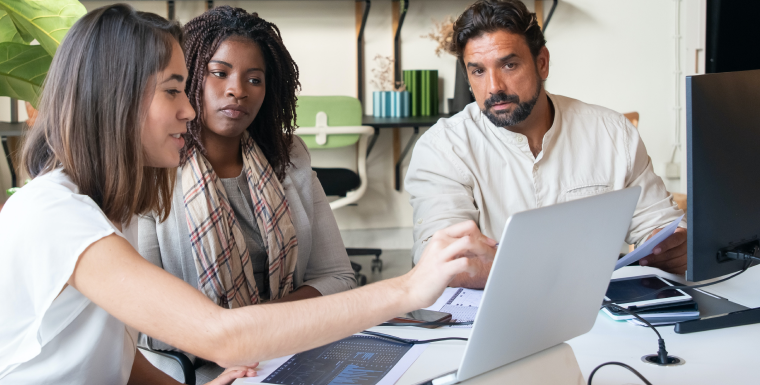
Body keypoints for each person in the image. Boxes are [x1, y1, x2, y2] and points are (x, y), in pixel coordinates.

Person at [0, 5, 490, 384]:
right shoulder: (53, 213)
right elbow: (220, 335)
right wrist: (408, 288)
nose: (189, 110)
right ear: (118, 97)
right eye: (174, 90)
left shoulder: (100, 206)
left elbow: (115, 358)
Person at [405, 0, 686, 289]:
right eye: (478, 71)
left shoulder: (612, 133)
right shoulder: (442, 149)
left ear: (542, 63)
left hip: (599, 317)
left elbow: (661, 225)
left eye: (509, 65)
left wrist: (671, 246)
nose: (494, 87)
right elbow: (444, 262)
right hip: (482, 321)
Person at [138, 7, 356, 368]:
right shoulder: (154, 169)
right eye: (219, 73)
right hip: (197, 369)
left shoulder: (291, 158)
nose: (237, 90)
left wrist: (260, 327)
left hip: (291, 352)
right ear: (188, 78)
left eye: (254, 79)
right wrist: (240, 335)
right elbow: (147, 323)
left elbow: (337, 278)